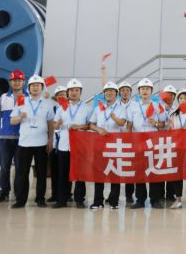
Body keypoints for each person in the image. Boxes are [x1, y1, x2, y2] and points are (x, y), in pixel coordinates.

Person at [9, 75, 55, 208]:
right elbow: (12, 121)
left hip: (41, 143)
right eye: (33, 85)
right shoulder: (21, 100)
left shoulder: (47, 103)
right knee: (22, 173)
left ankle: (40, 199)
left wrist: (50, 140)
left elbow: (50, 123)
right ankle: (20, 200)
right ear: (29, 88)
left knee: (41, 173)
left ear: (42, 87)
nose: (35, 87)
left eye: (38, 85)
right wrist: (20, 117)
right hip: (24, 143)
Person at [0, 69, 25, 203]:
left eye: (19, 80)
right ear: (10, 82)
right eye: (14, 80)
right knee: (4, 167)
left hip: (22, 138)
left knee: (20, 167)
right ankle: (4, 192)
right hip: (5, 138)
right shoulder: (3, 97)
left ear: (23, 82)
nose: (16, 82)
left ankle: (19, 194)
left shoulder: (28, 98)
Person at [53, 79, 92, 209]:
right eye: (71, 90)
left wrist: (79, 126)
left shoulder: (87, 108)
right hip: (64, 145)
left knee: (80, 174)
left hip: (80, 146)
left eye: (76, 90)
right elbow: (55, 125)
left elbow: (90, 125)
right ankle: (61, 200)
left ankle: (79, 200)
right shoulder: (61, 107)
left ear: (80, 92)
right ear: (67, 92)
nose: (74, 93)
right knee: (63, 174)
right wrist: (57, 124)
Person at [128, 78, 166, 209]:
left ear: (151, 91)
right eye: (142, 89)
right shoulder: (133, 106)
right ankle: (140, 199)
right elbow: (129, 124)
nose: (145, 91)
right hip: (138, 141)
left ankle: (155, 200)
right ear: (139, 91)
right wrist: (129, 140)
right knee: (139, 171)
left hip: (153, 141)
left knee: (154, 170)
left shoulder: (157, 106)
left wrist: (155, 123)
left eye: (148, 89)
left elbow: (163, 124)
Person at [88, 81, 127, 210]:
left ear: (116, 94)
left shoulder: (121, 108)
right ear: (104, 94)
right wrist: (98, 129)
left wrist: (114, 118)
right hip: (100, 145)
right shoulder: (98, 108)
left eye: (112, 91)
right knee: (99, 173)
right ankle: (98, 201)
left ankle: (114, 200)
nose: (109, 93)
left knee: (115, 173)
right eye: (107, 92)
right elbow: (91, 124)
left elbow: (122, 123)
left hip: (115, 145)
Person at [47, 85, 67, 203]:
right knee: (54, 171)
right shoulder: (52, 109)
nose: (62, 97)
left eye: (63, 94)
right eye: (59, 95)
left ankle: (67, 194)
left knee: (65, 170)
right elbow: (49, 126)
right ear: (56, 98)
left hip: (66, 144)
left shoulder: (70, 108)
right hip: (54, 144)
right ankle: (55, 194)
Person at [116, 80, 135, 205]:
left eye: (127, 90)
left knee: (129, 168)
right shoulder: (114, 105)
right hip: (116, 140)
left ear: (130, 92)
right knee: (115, 167)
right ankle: (114, 195)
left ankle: (129, 195)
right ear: (119, 92)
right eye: (122, 90)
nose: (125, 92)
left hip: (131, 140)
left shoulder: (135, 105)